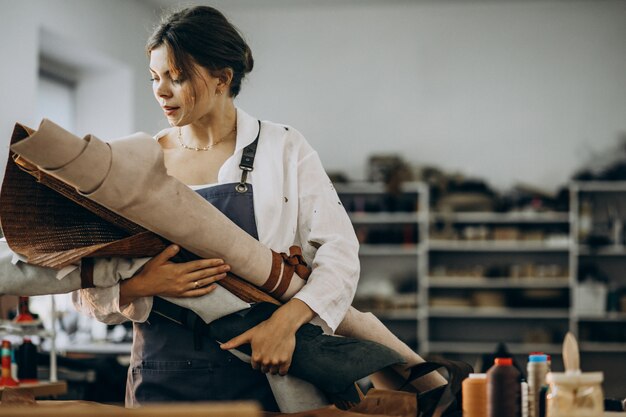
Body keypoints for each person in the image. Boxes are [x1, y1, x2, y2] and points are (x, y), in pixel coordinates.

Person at [73, 5, 447, 410]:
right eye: (154, 78)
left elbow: (340, 254)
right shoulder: (138, 161)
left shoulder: (284, 149)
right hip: (162, 379)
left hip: (268, 373)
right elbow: (84, 284)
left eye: (176, 78)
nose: (161, 91)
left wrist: (287, 323)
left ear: (222, 78)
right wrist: (144, 285)